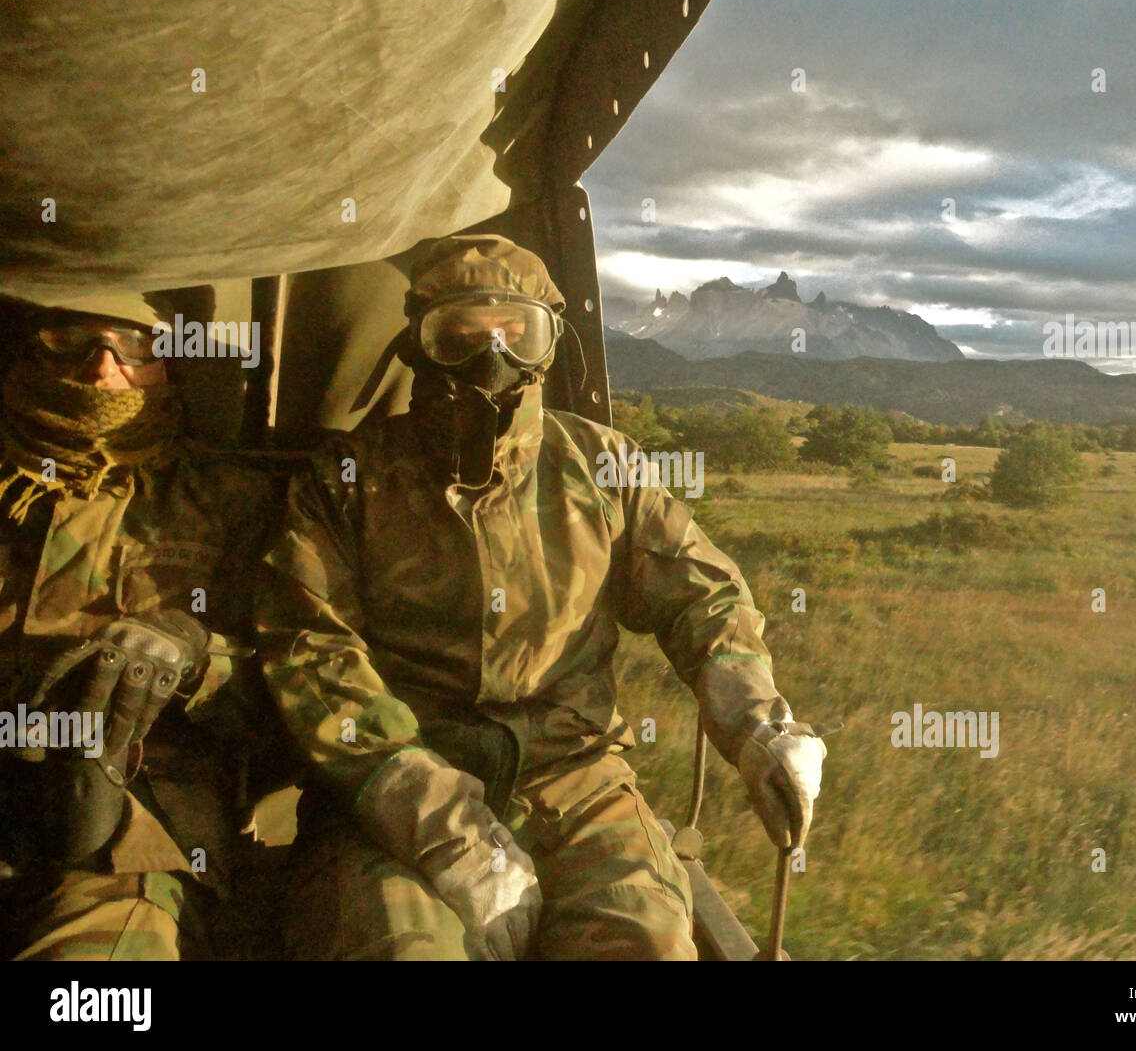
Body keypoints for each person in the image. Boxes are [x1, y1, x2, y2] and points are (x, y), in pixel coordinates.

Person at [255, 235, 827, 960]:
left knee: (643, 941)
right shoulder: (347, 480)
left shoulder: (602, 467)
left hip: (577, 783)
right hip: (396, 794)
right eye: (458, 333)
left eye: (516, 332)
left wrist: (757, 724)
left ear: (548, 343)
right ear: (420, 344)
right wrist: (433, 819)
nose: (490, 355)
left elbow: (702, 594)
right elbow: (311, 647)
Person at [0, 292, 277, 960]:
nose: (102, 369)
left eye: (136, 347)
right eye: (73, 338)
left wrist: (191, 655)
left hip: (131, 831)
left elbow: (294, 687)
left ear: (172, 365)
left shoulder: (228, 500)